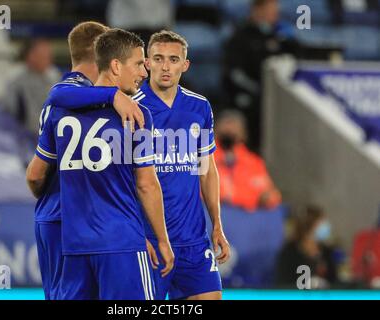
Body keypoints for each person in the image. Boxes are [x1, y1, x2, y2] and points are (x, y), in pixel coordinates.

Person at [29, 28, 174, 300]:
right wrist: (163, 240)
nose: (145, 72)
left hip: (74, 246)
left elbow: (36, 175)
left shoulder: (61, 112)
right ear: (116, 66)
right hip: (121, 243)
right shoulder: (137, 116)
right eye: (139, 64)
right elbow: (146, 185)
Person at [136, 30, 230, 300]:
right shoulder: (132, 107)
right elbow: (121, 180)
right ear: (147, 63)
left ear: (185, 65)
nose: (166, 66)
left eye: (173, 59)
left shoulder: (199, 107)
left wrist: (217, 224)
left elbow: (207, 169)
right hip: (148, 244)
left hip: (194, 242)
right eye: (159, 58)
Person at [222, 0, 301, 153]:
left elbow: (297, 58)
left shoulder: (280, 38)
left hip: (279, 98)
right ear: (257, 10)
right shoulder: (240, 38)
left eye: (275, 10)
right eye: (270, 10)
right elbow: (234, 75)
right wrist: (259, 91)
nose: (274, 15)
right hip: (250, 99)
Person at [214, 110, 281, 212]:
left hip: (245, 220)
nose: (229, 130)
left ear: (243, 134)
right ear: (215, 130)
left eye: (234, 127)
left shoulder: (254, 163)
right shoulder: (201, 158)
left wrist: (263, 198)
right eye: (225, 126)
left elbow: (272, 196)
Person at [275, 205, 339, 289]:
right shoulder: (289, 252)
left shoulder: (326, 251)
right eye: (322, 222)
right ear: (311, 225)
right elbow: (283, 282)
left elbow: (334, 281)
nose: (326, 226)